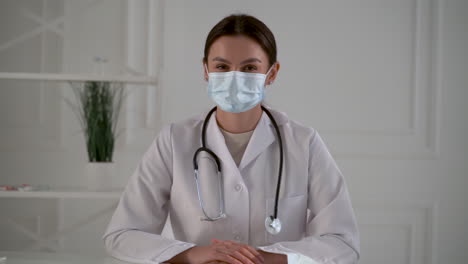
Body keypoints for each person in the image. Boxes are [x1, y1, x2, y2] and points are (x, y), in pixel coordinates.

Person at [103, 14, 360, 264]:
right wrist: (197, 254)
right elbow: (122, 235)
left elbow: (342, 242)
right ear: (205, 70)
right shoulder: (174, 140)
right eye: (222, 67)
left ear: (271, 73)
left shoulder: (304, 142)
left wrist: (262, 259)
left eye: (249, 67)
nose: (234, 77)